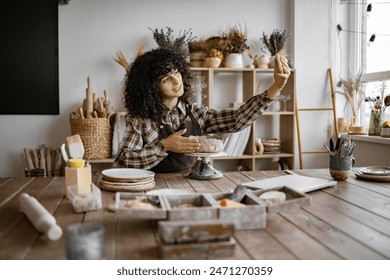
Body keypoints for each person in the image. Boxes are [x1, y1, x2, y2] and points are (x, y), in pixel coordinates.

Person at [113, 48, 290, 173]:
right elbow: (123, 160)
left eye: (176, 72)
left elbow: (235, 119)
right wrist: (165, 145)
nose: (177, 81)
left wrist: (275, 88)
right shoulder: (141, 119)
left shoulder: (195, 112)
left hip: (187, 183)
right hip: (150, 187)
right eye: (167, 79)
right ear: (151, 88)